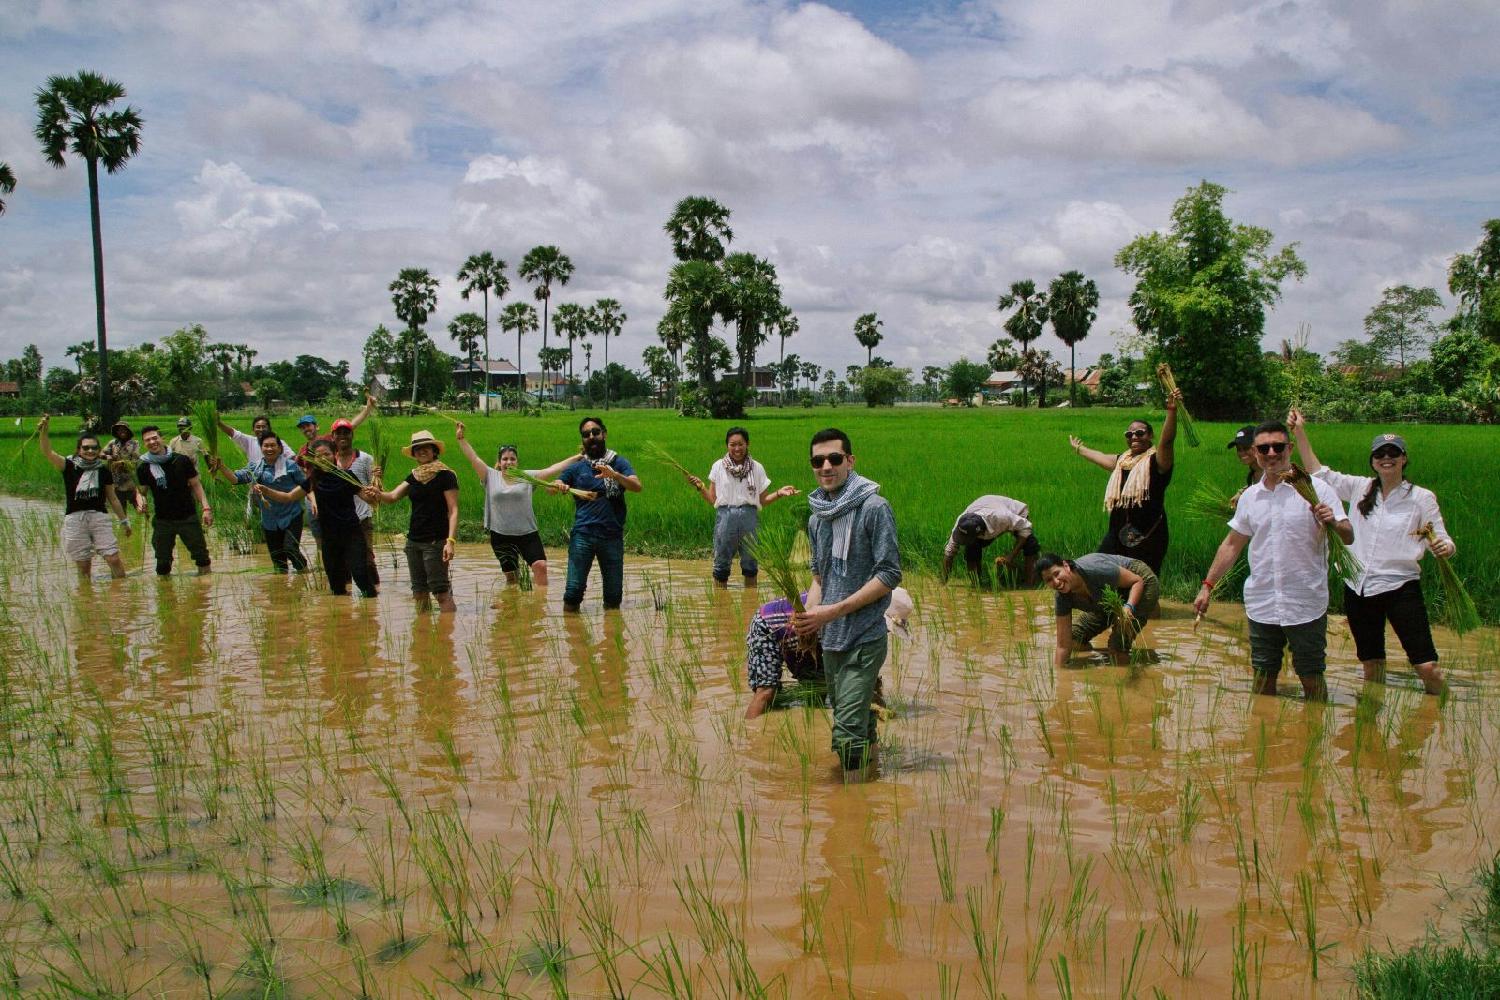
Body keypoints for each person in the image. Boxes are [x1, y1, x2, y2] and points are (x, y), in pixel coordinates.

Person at [1289, 410, 1454, 695]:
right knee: (1372, 664)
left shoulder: (1420, 498)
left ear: (1403, 458)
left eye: (1393, 453)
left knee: (1427, 666)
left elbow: (1441, 538)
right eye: (1380, 453)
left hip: (1400, 586)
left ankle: (1441, 711)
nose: (1386, 458)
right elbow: (1318, 472)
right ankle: (1370, 723)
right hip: (1358, 587)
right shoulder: (1360, 488)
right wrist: (1299, 432)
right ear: (1373, 460)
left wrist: (1444, 547)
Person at [1194, 420, 1352, 701]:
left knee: (1311, 675)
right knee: (1263, 676)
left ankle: (1314, 735)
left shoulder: (1318, 490)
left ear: (1289, 448)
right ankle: (1263, 734)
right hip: (1262, 601)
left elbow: (1348, 535)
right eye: (1263, 448)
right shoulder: (1251, 497)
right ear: (1255, 452)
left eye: (1278, 446)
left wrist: (1333, 522)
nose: (1271, 453)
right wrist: (1208, 585)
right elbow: (1232, 544)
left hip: (1305, 601)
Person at [792, 428, 902, 776]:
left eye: (834, 459)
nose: (826, 466)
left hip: (865, 637)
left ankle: (848, 816)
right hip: (831, 640)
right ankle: (870, 785)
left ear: (850, 461)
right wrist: (810, 615)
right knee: (852, 718)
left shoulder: (874, 508)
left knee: (846, 733)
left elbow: (889, 575)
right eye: (818, 460)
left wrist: (833, 611)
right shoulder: (817, 518)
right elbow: (820, 577)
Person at [746, 587, 913, 720]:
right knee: (766, 692)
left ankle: (812, 730)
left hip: (808, 639)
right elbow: (846, 665)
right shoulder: (846, 611)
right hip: (768, 627)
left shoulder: (857, 612)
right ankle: (749, 734)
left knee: (816, 691)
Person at [1067, 389, 1180, 574]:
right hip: (1118, 532)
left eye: (1140, 433)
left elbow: (1167, 442)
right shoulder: (1122, 462)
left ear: (1150, 436)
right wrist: (1080, 449)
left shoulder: (1157, 463)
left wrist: (1171, 411)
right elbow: (1101, 456)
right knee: (1101, 571)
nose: (1134, 437)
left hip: (1149, 534)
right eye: (1129, 434)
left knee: (1144, 582)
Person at [453, 421, 576, 589]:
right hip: (501, 535)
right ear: (499, 461)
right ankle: (513, 608)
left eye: (512, 459)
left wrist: (579, 457)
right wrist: (461, 439)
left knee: (541, 566)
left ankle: (542, 604)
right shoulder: (490, 476)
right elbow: (474, 458)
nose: (509, 462)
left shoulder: (527, 477)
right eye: (505, 459)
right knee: (512, 578)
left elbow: (553, 468)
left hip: (527, 533)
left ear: (517, 462)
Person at [259, 438, 376, 597]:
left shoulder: (347, 476)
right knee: (336, 585)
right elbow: (288, 497)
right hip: (329, 538)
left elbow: (370, 500)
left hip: (352, 534)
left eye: (327, 454)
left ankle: (370, 613)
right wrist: (266, 491)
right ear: (313, 459)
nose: (323, 459)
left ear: (334, 454)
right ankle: (344, 617)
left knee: (361, 576)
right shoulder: (313, 481)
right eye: (318, 456)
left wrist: (375, 488)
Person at [687, 426, 799, 587]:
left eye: (740, 444)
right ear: (727, 446)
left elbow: (763, 499)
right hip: (725, 517)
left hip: (749, 518)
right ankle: (720, 604)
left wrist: (779, 493)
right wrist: (700, 487)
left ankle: (751, 601)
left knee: (751, 564)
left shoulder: (757, 468)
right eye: (732, 444)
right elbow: (713, 500)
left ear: (747, 444)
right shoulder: (718, 466)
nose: (737, 448)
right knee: (721, 564)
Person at [367, 430, 459, 612]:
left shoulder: (446, 475)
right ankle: (423, 634)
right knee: (419, 592)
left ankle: (447, 635)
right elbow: (392, 497)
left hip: (435, 541)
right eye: (417, 448)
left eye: (426, 447)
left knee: (440, 592)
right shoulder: (414, 476)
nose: (422, 451)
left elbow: (453, 510)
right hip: (414, 542)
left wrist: (450, 542)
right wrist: (377, 493)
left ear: (434, 451)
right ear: (414, 453)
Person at [558, 417, 642, 612]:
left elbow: (637, 486)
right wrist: (558, 485)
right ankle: (573, 636)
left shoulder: (618, 462)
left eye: (595, 432)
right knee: (573, 592)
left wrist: (615, 475)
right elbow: (553, 489)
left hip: (612, 535)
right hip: (583, 534)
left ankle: (611, 637)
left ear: (604, 434)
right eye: (586, 434)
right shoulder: (577, 467)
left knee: (613, 597)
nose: (592, 437)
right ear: (583, 439)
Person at [37, 415, 131, 580]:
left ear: (98, 449)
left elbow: (113, 498)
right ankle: (87, 600)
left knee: (113, 558)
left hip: (99, 517)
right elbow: (47, 452)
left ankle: (123, 594)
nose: (90, 451)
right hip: (75, 518)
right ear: (79, 449)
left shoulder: (103, 471)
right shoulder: (69, 465)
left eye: (94, 448)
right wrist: (44, 431)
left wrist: (124, 521)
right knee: (84, 566)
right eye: (86, 448)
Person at [208, 432, 309, 573]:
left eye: (273, 445)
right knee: (278, 561)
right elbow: (235, 479)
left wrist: (313, 502)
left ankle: (305, 574)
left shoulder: (290, 466)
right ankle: (283, 588)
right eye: (266, 446)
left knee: (291, 549)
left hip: (291, 515)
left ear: (280, 448)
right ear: (261, 448)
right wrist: (221, 467)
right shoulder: (256, 467)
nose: (269, 449)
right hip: (270, 519)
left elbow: (306, 485)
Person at [1038, 552, 1159, 667]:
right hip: (1106, 597)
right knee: (1074, 639)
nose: (1056, 582)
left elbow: (1137, 581)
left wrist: (1128, 607)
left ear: (1066, 566)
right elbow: (1063, 645)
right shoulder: (1062, 598)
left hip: (1140, 582)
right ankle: (1108, 655)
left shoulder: (1094, 569)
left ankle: (1124, 665)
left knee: (1117, 646)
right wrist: (1059, 675)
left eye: (1057, 573)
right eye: (1049, 580)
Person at [134, 425, 213, 576]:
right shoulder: (144, 467)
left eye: (154, 438)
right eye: (147, 440)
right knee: (162, 564)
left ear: (161, 439)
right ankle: (166, 595)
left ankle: (206, 591)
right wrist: (140, 502)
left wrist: (206, 509)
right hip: (163, 520)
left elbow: (196, 485)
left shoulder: (181, 460)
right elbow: (141, 491)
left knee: (202, 558)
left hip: (187, 517)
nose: (152, 442)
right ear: (144, 443)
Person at [940, 495, 1039, 586]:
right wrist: (942, 584)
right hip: (988, 508)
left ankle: (1030, 586)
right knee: (972, 547)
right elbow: (949, 554)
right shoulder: (961, 524)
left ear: (981, 533)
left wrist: (1011, 556)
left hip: (1015, 512)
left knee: (1030, 544)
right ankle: (976, 585)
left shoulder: (1003, 517)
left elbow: (1026, 527)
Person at [329, 418, 381, 587]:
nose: (343, 436)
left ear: (352, 435)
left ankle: (375, 592)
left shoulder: (365, 459)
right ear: (333, 436)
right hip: (339, 518)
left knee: (367, 559)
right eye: (339, 433)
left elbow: (374, 487)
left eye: (346, 432)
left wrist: (378, 478)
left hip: (362, 516)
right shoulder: (329, 461)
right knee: (343, 560)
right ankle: (347, 598)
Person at [102, 420, 140, 514]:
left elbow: (135, 460)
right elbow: (101, 453)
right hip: (116, 482)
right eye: (120, 430)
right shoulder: (113, 443)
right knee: (121, 510)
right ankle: (125, 527)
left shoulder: (134, 444)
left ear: (128, 431)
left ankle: (142, 524)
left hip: (130, 482)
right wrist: (107, 456)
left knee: (140, 508)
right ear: (117, 432)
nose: (122, 432)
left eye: (124, 430)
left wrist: (122, 463)